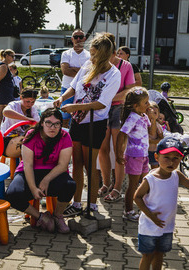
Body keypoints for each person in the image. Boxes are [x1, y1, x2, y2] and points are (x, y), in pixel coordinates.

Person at [54, 33, 121, 216]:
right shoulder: (87, 66)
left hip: (95, 123)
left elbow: (101, 103)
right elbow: (74, 87)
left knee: (90, 166)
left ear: (105, 55)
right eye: (90, 54)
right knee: (76, 163)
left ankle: (91, 206)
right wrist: (62, 97)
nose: (91, 58)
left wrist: (75, 106)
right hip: (77, 121)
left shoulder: (114, 74)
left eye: (94, 55)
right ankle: (76, 204)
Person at [134, 137, 189, 270]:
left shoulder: (176, 175)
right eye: (166, 157)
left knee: (160, 254)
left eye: (175, 158)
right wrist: (150, 216)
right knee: (148, 256)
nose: (171, 162)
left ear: (181, 159)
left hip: (166, 227)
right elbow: (137, 197)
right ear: (156, 157)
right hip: (149, 227)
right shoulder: (150, 179)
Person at [5, 108, 76, 233]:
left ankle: (57, 215)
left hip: (54, 172)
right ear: (42, 122)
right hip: (29, 171)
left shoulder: (65, 136)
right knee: (12, 195)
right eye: (48, 123)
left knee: (70, 185)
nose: (52, 127)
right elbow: (28, 165)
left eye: (56, 124)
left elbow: (63, 165)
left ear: (61, 124)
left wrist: (46, 180)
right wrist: (33, 188)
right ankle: (41, 217)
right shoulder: (32, 134)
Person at [97, 33, 135, 203]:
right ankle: (106, 184)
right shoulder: (99, 63)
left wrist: (109, 98)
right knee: (102, 148)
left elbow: (129, 90)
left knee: (118, 149)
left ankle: (118, 187)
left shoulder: (125, 66)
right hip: (100, 110)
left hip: (118, 109)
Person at [115, 87, 157, 221]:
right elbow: (121, 135)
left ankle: (144, 207)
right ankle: (128, 211)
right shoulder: (132, 118)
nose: (148, 105)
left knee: (145, 182)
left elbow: (151, 132)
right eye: (146, 103)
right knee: (133, 185)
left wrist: (153, 118)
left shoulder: (143, 116)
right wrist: (118, 153)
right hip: (134, 155)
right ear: (136, 106)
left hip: (144, 155)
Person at [60, 29, 90, 126]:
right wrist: (82, 70)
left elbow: (90, 73)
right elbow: (65, 71)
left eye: (81, 37)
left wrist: (72, 68)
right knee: (64, 117)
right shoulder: (66, 54)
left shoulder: (89, 55)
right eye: (76, 37)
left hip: (83, 90)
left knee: (79, 118)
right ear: (72, 39)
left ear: (84, 39)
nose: (78, 39)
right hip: (66, 88)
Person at [0, 88, 40, 157]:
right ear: (21, 97)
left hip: (22, 137)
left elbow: (37, 123)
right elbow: (5, 112)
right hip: (7, 139)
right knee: (25, 144)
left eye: (32, 102)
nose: (30, 104)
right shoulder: (14, 105)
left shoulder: (33, 109)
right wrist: (26, 119)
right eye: (27, 101)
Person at [0, 49, 16, 128]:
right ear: (7, 56)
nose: (13, 58)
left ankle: (3, 125)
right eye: (12, 56)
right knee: (3, 108)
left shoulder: (6, 66)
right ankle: (0, 126)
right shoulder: (4, 66)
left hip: (6, 90)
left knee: (4, 108)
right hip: (4, 91)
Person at [147, 102, 163, 169]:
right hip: (145, 151)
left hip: (154, 151)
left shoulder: (157, 125)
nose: (152, 115)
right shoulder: (144, 123)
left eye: (155, 113)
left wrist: (153, 141)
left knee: (154, 167)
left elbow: (161, 138)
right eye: (150, 113)